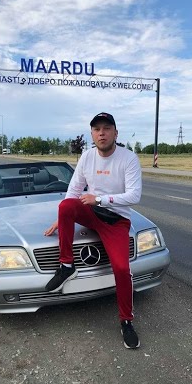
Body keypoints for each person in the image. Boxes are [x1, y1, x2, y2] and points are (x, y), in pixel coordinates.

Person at [43, 112, 143, 349]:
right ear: (92, 134)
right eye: (97, 129)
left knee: (122, 269)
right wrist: (63, 217)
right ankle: (67, 266)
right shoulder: (87, 157)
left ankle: (126, 321)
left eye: (107, 128)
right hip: (91, 213)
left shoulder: (128, 158)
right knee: (66, 205)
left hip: (116, 220)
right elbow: (74, 190)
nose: (102, 133)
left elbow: (134, 196)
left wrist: (99, 199)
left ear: (115, 133)